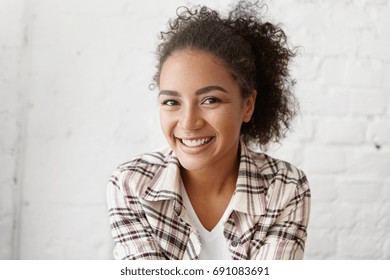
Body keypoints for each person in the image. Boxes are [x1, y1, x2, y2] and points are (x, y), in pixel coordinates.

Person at [107, 0, 311, 260]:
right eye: (172, 102)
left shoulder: (285, 188)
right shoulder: (131, 185)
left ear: (247, 106)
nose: (189, 122)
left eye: (210, 100)